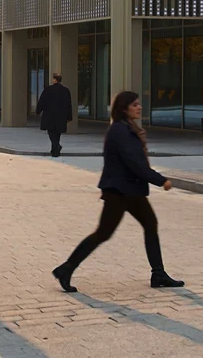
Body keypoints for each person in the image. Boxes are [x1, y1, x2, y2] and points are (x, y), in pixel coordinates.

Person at [52, 91, 184, 293]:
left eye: (139, 104)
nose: (139, 107)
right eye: (135, 105)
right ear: (124, 109)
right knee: (103, 233)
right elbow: (135, 163)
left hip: (130, 191)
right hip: (120, 192)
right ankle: (66, 269)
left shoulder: (128, 128)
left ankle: (158, 273)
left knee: (150, 224)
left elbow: (136, 162)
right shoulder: (120, 131)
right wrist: (161, 180)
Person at [36, 73, 73, 157]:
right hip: (61, 116)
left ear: (54, 80)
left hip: (50, 115)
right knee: (57, 133)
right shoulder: (65, 90)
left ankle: (56, 146)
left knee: (51, 132)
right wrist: (69, 117)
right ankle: (55, 151)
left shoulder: (48, 89)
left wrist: (38, 111)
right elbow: (69, 104)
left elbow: (42, 101)